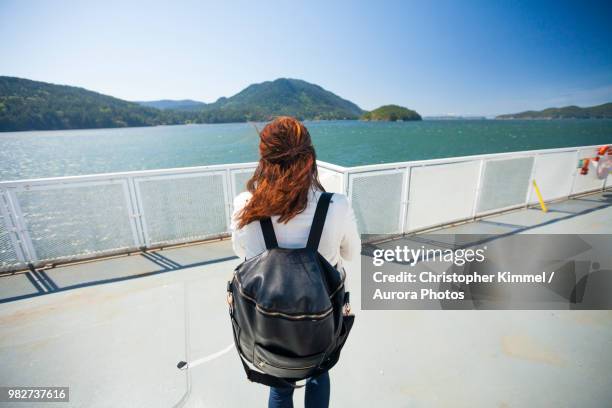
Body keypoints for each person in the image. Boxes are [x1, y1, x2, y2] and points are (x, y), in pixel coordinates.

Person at [230, 116, 361, 408]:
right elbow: (351, 253)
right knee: (319, 373)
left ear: (263, 158)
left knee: (280, 387)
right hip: (322, 318)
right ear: (310, 157)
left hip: (268, 322)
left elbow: (242, 255)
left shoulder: (244, 206)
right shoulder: (335, 205)